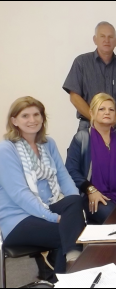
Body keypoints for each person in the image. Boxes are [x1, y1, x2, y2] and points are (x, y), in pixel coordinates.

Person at [0, 96, 85, 276]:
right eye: (25, 116)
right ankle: (69, 273)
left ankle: (67, 269)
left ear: (42, 118)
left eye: (36, 114)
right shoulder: (6, 149)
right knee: (68, 233)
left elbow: (63, 176)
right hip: (17, 219)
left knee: (75, 201)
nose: (32, 120)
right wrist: (53, 217)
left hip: (46, 207)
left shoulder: (48, 143)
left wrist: (75, 205)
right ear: (14, 120)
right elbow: (19, 194)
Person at [65, 93, 116, 224]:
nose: (107, 112)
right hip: (96, 196)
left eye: (111, 109)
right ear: (92, 113)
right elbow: (71, 170)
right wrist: (90, 190)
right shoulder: (81, 138)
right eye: (101, 109)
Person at [63, 21, 116, 133]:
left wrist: (115, 119)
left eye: (110, 37)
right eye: (102, 36)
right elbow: (74, 96)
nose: (106, 40)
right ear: (95, 39)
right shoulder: (81, 62)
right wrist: (95, 119)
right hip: (88, 126)